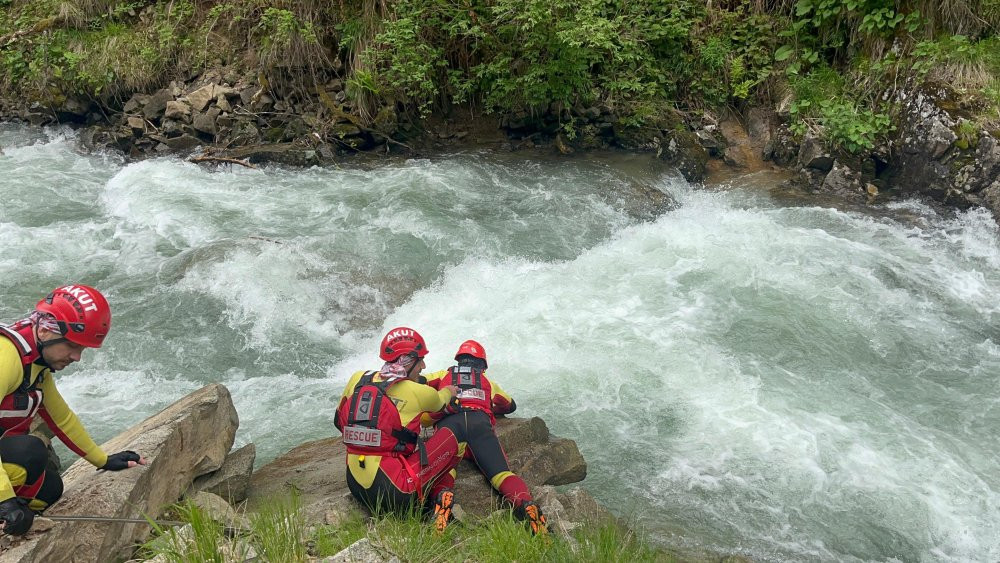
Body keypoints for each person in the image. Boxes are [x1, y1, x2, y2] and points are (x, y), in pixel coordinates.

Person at [0, 285, 146, 536]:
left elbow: (62, 419)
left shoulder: (36, 361)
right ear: (46, 330)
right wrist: (5, 501)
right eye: (72, 346)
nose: (77, 357)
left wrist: (103, 460)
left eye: (82, 349)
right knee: (30, 452)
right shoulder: (7, 358)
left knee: (50, 489)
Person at [334, 327, 467, 532]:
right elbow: (442, 401)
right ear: (408, 360)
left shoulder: (358, 379)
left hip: (356, 485)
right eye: (420, 359)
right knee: (457, 431)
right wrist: (449, 391)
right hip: (397, 494)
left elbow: (338, 420)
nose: (423, 365)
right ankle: (439, 496)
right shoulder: (419, 392)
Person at [425, 339, 548, 535]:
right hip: (479, 426)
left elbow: (419, 383)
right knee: (501, 475)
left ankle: (442, 497)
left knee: (445, 470)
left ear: (458, 360)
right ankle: (525, 504)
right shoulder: (487, 382)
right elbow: (509, 405)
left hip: (450, 427)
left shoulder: (443, 374)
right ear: (482, 365)